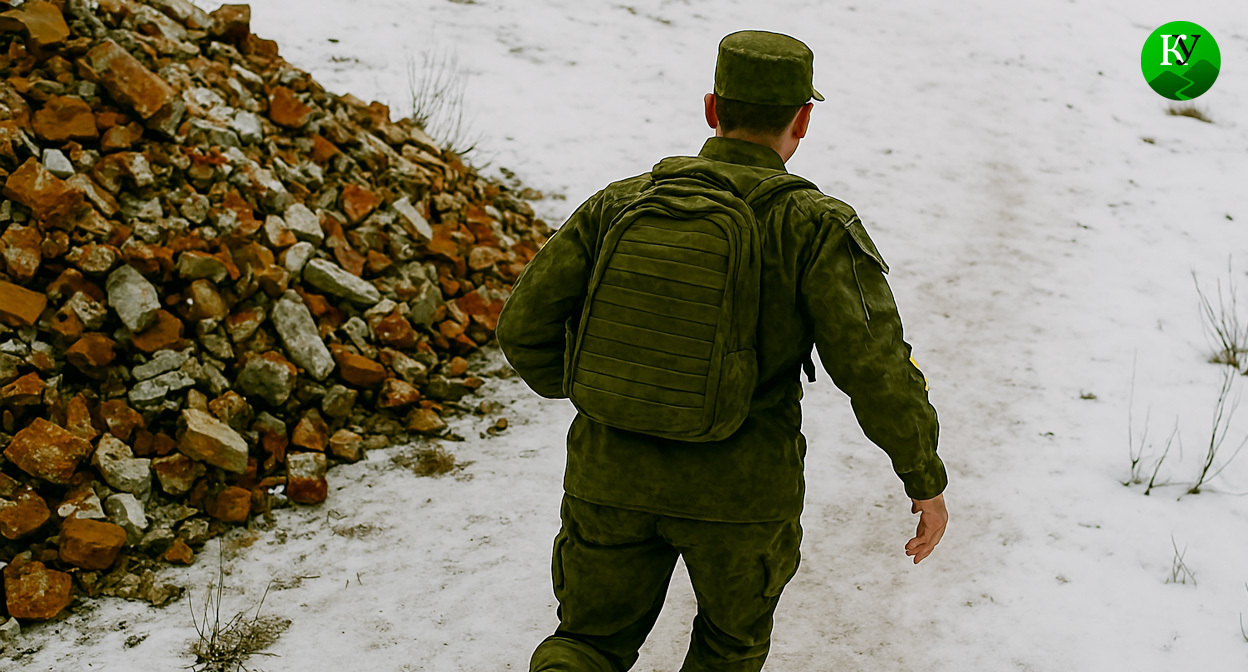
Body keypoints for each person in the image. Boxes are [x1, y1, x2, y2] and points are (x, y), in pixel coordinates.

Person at [495, 29, 949, 672]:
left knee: (586, 645)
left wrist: (605, 392)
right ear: (803, 120)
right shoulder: (815, 225)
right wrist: (923, 477)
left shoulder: (621, 204)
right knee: (728, 648)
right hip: (743, 493)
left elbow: (522, 329)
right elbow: (874, 365)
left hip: (611, 473)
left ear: (713, 108)